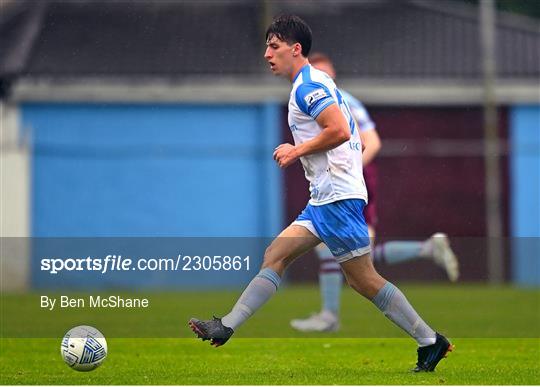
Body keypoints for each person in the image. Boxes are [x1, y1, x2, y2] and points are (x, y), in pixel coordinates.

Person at [189, 14, 453, 372]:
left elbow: (340, 130)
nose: (267, 53)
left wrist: (295, 150)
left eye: (274, 46)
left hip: (337, 199)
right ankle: (227, 325)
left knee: (363, 279)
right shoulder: (314, 81)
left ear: (295, 49)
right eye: (267, 45)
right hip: (324, 198)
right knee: (276, 255)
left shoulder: (307, 87)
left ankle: (429, 340)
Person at [290, 53, 459, 333]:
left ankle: (330, 316)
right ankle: (427, 249)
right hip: (340, 182)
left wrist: (347, 170)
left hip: (350, 182)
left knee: (349, 255)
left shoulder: (341, 100)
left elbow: (373, 142)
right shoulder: (313, 100)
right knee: (353, 254)